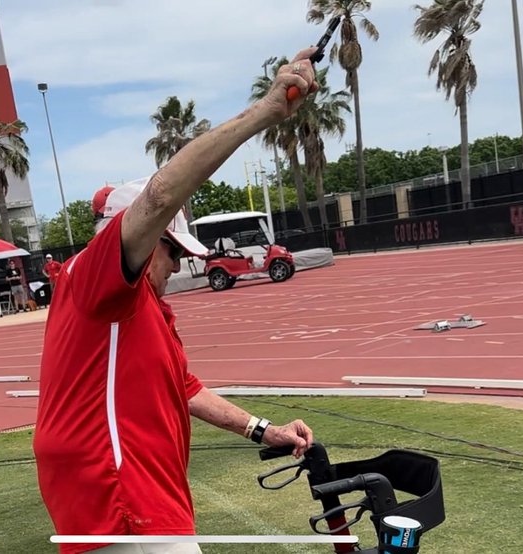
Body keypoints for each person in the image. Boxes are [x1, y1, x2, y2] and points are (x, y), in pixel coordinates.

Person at [33, 47, 322, 554]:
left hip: (118, 499)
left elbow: (185, 389)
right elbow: (161, 195)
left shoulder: (137, 311)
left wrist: (263, 431)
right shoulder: (102, 279)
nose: (176, 267)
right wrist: (268, 110)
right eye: (172, 251)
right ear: (146, 244)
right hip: (123, 501)